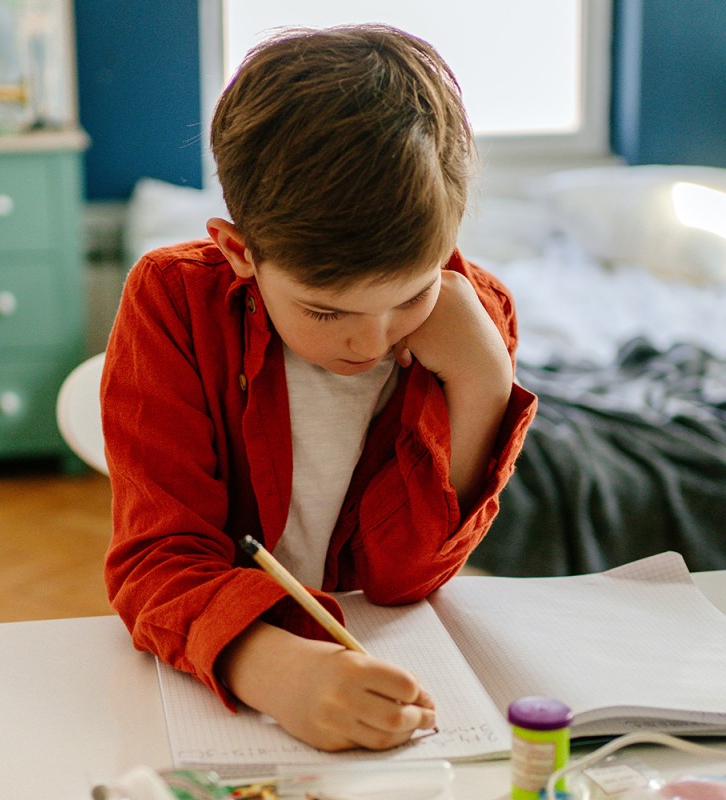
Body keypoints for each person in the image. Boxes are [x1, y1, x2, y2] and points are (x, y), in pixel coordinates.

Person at [101, 24, 536, 753]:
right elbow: (157, 561)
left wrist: (484, 381)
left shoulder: (473, 316)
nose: (370, 343)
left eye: (411, 296)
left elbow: (402, 576)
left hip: (381, 667)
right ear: (239, 251)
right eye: (326, 311)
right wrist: (270, 669)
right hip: (215, 687)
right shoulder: (172, 302)